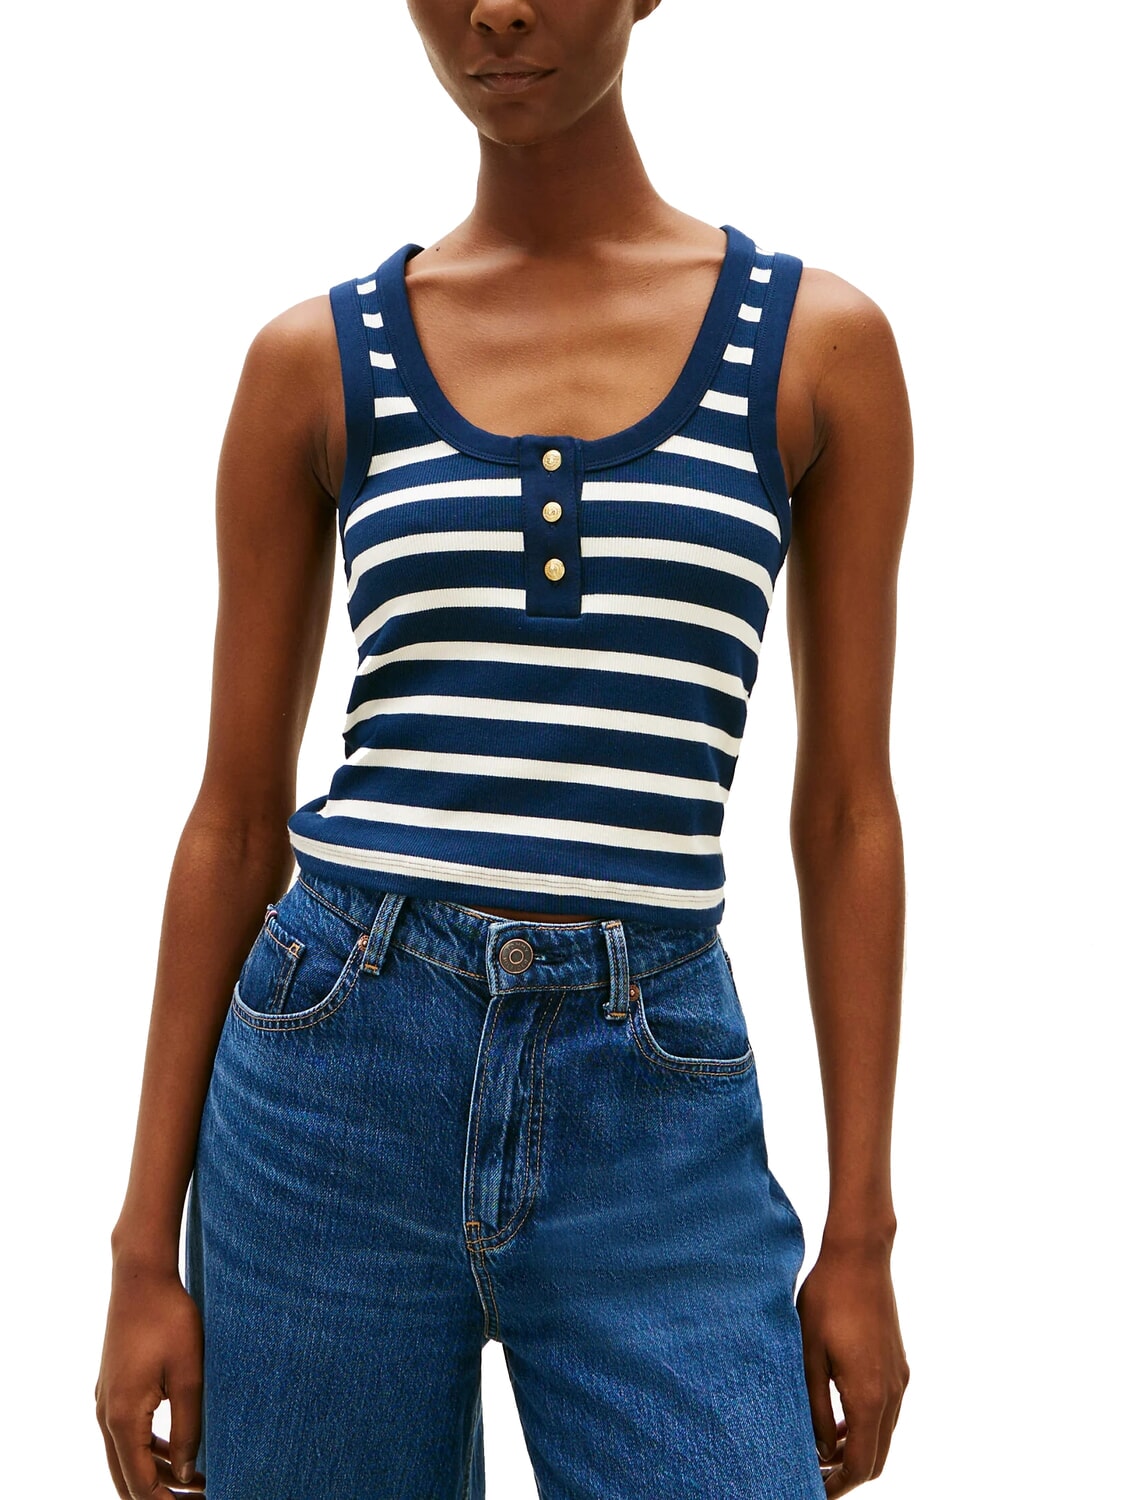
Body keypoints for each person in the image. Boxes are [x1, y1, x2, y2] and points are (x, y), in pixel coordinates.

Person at [94, 1, 912, 1496]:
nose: (496, 9)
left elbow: (850, 809)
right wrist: (143, 1251)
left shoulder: (815, 349)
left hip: (653, 1093)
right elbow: (234, 820)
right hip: (331, 1082)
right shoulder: (315, 362)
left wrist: (860, 1231)